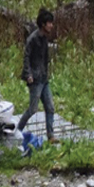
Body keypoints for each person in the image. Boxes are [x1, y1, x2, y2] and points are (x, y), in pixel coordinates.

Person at [17, 9, 57, 143]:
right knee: (32, 109)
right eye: (49, 23)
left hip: (44, 78)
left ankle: (51, 135)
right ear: (43, 24)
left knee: (50, 107)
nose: (51, 26)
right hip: (35, 79)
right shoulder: (33, 39)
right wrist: (28, 74)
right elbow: (26, 57)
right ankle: (17, 131)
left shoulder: (45, 38)